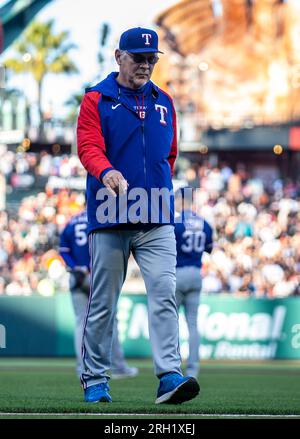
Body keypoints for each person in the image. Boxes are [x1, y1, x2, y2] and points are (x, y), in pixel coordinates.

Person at [77, 26, 200, 404]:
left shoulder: (165, 102)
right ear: (118, 57)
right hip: (110, 213)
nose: (145, 65)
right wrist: (106, 171)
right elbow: (88, 146)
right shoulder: (96, 99)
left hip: (157, 215)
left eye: (151, 59)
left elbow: (170, 154)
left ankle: (169, 376)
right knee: (103, 303)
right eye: (137, 58)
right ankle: (95, 379)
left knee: (164, 293)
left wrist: (157, 188)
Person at [59, 209, 138, 379]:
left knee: (81, 322)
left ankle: (82, 367)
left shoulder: (71, 222)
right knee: (110, 320)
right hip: (96, 273)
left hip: (77, 276)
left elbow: (63, 251)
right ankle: (118, 367)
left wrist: (75, 267)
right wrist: (89, 268)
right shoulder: (98, 217)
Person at [174, 188, 214, 378]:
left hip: (178, 272)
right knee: (193, 324)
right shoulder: (205, 224)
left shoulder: (175, 223)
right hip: (196, 273)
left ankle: (173, 365)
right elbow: (208, 249)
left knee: (171, 322)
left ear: (181, 200)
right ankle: (193, 369)